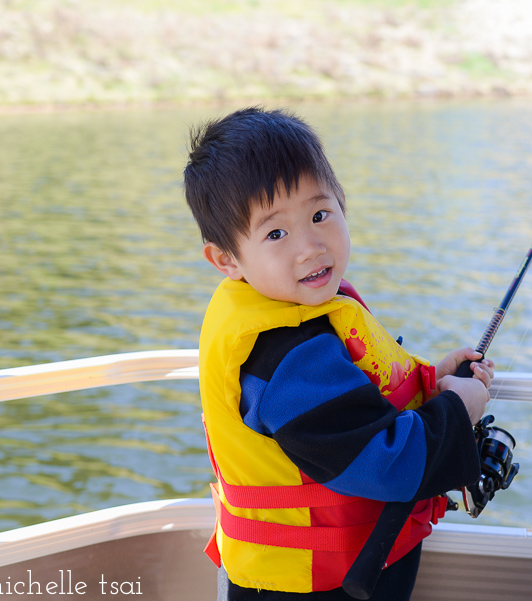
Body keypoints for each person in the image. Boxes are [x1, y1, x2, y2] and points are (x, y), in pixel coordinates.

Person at [183, 106, 494, 601]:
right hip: (304, 586)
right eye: (276, 233)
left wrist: (432, 381)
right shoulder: (282, 354)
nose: (310, 246)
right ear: (227, 259)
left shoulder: (296, 314)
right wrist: (459, 408)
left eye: (320, 214)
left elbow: (350, 402)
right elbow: (382, 461)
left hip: (337, 572)